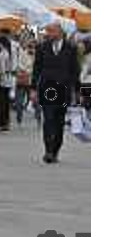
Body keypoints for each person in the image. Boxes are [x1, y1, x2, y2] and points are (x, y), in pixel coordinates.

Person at [31, 23, 80, 163]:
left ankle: (56, 149)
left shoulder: (71, 48)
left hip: (64, 88)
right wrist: (33, 89)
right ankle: (48, 151)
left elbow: (75, 70)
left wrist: (78, 91)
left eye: (51, 31)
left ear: (60, 32)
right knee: (48, 119)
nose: (48, 34)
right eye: (48, 31)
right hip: (47, 88)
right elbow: (36, 69)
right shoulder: (42, 47)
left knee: (59, 121)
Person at [0, 36, 12, 131]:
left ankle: (2, 122)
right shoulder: (7, 52)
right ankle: (6, 122)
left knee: (1, 102)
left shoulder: (2, 54)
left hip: (2, 80)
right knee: (5, 102)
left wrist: (0, 75)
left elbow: (3, 69)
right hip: (7, 81)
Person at [15, 39, 35, 124]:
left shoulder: (23, 53)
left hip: (26, 78)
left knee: (23, 98)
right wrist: (28, 71)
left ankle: (37, 115)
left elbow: (19, 64)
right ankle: (19, 115)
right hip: (25, 79)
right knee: (21, 99)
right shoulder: (23, 54)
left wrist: (25, 71)